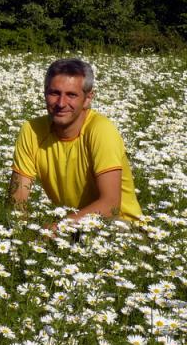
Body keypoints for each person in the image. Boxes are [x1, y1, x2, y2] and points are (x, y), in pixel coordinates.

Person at [9, 58, 142, 227]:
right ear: (44, 93)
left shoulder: (101, 130)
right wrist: (23, 234)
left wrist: (57, 228)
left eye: (71, 95)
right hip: (71, 226)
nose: (61, 103)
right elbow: (17, 200)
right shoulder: (32, 131)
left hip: (119, 228)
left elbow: (110, 205)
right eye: (54, 93)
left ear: (88, 99)